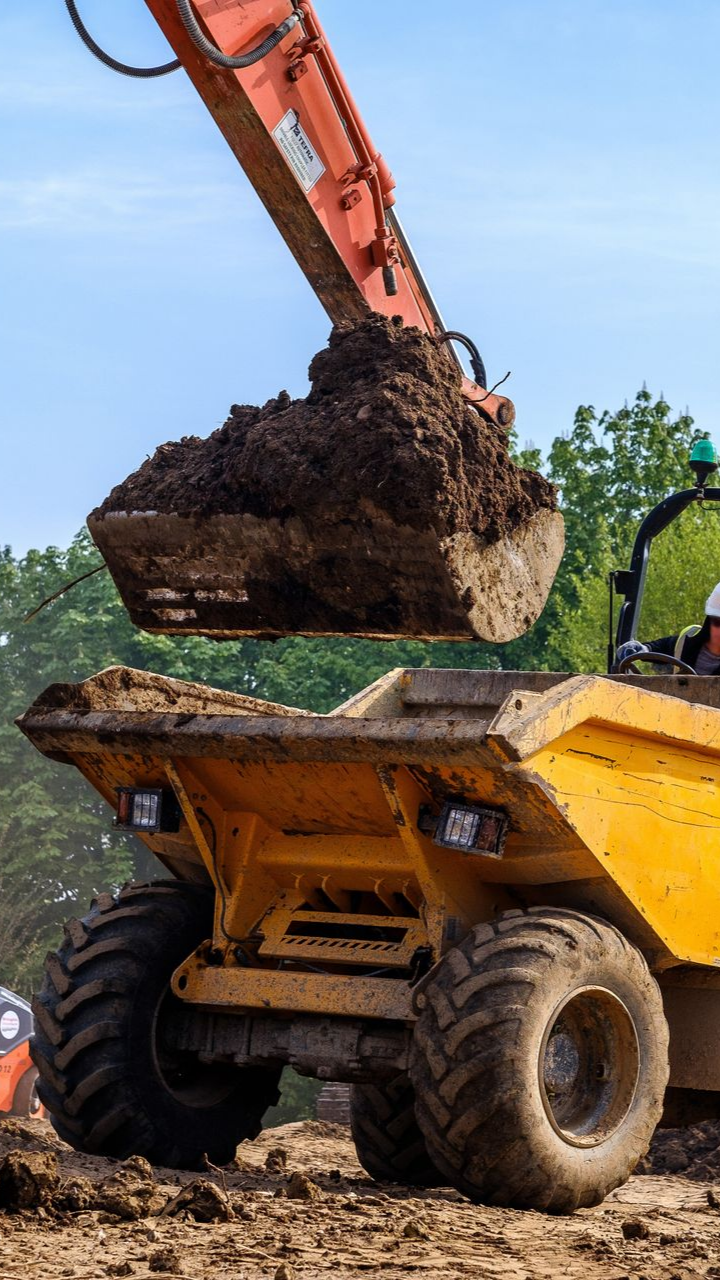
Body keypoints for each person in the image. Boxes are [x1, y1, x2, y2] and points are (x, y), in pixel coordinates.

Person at [616, 582, 720, 675]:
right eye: (718, 623)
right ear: (708, 621)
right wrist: (645, 649)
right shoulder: (687, 641)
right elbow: (664, 646)